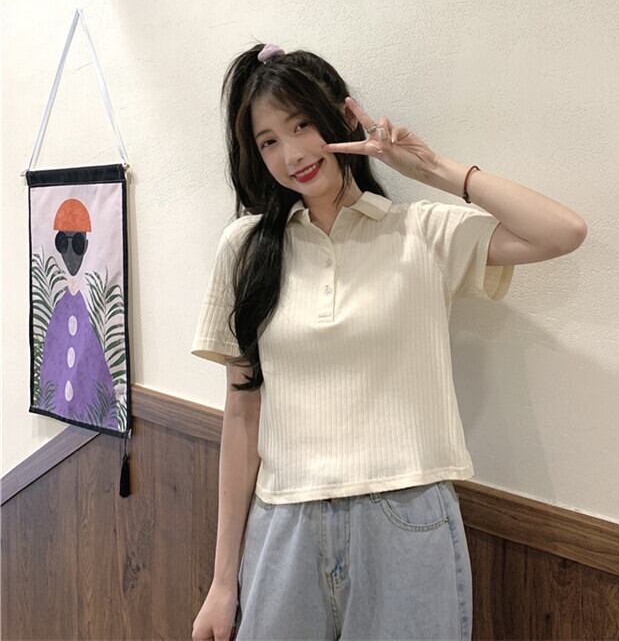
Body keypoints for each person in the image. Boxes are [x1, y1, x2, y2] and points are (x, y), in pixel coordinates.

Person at [190, 43, 587, 641]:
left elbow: (562, 232)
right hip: (283, 521)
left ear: (341, 116)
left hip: (405, 521)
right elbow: (242, 412)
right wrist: (223, 583)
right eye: (268, 140)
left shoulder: (419, 232)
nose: (292, 154)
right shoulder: (246, 249)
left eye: (301, 125)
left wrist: (429, 168)